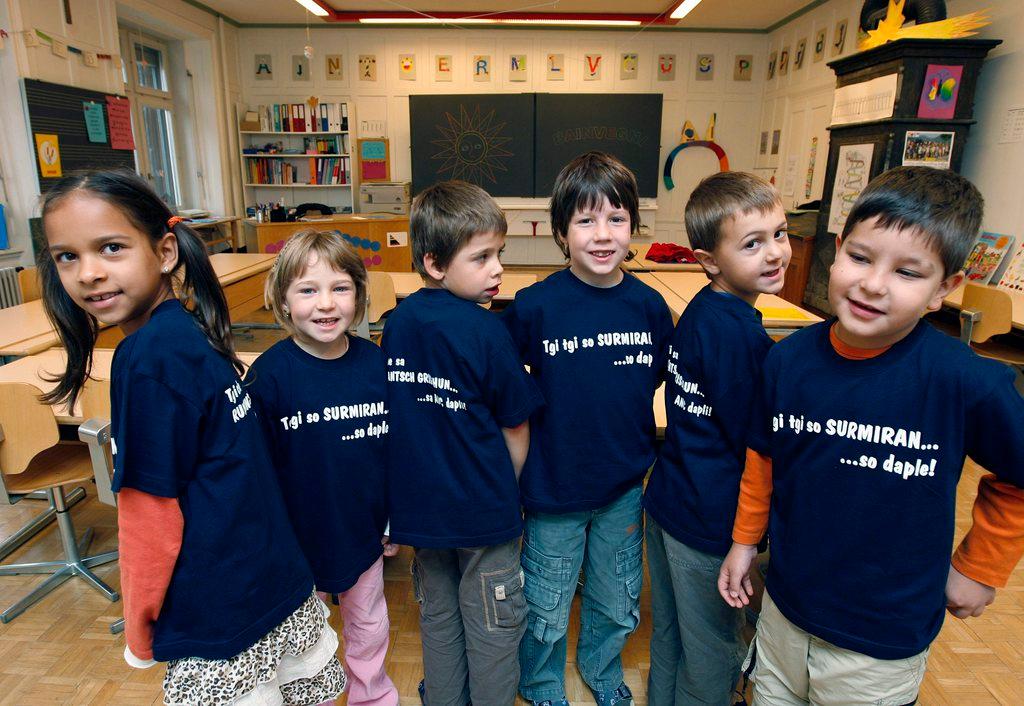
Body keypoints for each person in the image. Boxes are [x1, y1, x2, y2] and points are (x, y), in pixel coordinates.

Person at [718, 166, 1024, 705]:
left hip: (882, 641)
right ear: (838, 250)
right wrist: (744, 543)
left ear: (944, 289)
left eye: (908, 272)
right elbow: (763, 459)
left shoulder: (966, 380)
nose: (873, 284)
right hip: (785, 613)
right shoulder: (786, 360)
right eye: (860, 258)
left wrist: (978, 566)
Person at [38, 170, 345, 706]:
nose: (88, 273)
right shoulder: (185, 330)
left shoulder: (148, 359)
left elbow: (149, 515)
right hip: (271, 577)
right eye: (67, 256)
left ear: (164, 252)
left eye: (111, 248)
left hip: (222, 603)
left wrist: (138, 625)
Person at [504, 152, 673, 706]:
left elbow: (650, 383)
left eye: (616, 219)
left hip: (623, 488)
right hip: (553, 488)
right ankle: (541, 681)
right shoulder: (535, 307)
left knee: (616, 594)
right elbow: (501, 383)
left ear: (634, 229)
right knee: (547, 600)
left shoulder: (649, 307)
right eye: (585, 220)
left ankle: (601, 671)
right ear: (560, 231)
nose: (602, 236)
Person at [383, 180, 542, 706]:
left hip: (423, 512)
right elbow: (516, 425)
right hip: (482, 511)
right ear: (434, 263)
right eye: (482, 257)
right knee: (494, 626)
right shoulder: (487, 331)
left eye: (499, 254)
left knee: (440, 617)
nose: (498, 269)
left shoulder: (398, 323)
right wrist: (508, 488)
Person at [644, 172, 790, 705]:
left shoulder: (705, 309)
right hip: (709, 524)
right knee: (710, 651)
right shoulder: (741, 337)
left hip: (670, 502)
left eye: (780, 233)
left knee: (672, 636)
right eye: (752, 244)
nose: (774, 253)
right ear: (708, 259)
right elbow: (756, 445)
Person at [246, 229, 399, 706]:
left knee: (369, 624)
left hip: (364, 532)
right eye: (308, 290)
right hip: (296, 541)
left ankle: (371, 695)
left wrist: (396, 518)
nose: (325, 304)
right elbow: (256, 471)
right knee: (302, 640)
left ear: (358, 294)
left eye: (340, 288)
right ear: (283, 301)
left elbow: (399, 454)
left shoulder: (379, 365)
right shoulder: (268, 376)